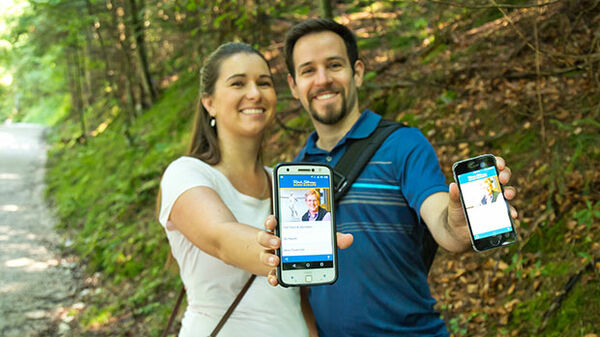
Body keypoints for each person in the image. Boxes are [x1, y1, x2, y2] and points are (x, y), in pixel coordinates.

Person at [257, 19, 518, 336]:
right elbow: (305, 291)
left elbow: (443, 225)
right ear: (294, 86)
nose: (323, 79)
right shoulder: (295, 173)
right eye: (308, 70)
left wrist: (457, 223)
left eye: (334, 65)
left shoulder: (404, 145)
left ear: (358, 72)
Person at [157, 42, 332, 337]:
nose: (255, 93)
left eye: (264, 83)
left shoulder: (284, 182)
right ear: (209, 102)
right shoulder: (186, 173)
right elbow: (222, 239)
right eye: (238, 83)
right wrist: (297, 250)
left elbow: (297, 296)